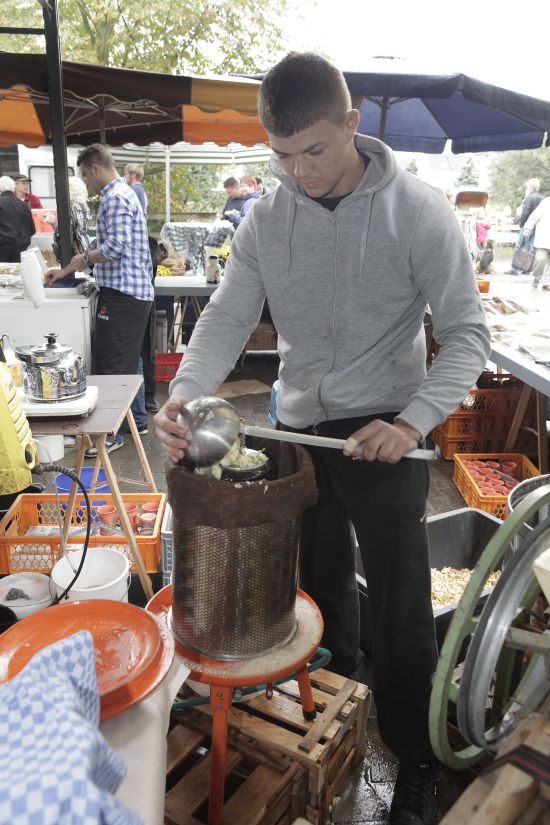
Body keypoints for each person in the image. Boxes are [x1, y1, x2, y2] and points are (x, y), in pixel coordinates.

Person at [154, 52, 491, 825]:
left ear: (352, 123)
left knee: (402, 602)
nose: (300, 172)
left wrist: (411, 422)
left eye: (315, 150)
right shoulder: (267, 220)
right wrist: (182, 393)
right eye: (282, 156)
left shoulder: (419, 212)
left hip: (387, 430)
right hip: (298, 430)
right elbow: (227, 315)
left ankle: (414, 753)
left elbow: (466, 334)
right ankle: (329, 723)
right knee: (318, 583)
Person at [45, 144, 154, 453]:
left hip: (122, 295)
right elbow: (110, 245)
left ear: (95, 168)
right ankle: (136, 421)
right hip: (131, 294)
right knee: (128, 361)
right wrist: (67, 269)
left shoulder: (115, 198)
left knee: (112, 367)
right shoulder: (123, 194)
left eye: (85, 174)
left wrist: (83, 259)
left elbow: (115, 248)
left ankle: (108, 435)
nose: (86, 181)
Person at [506, 178, 543, 274]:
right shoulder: (541, 198)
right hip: (537, 226)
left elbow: (525, 212)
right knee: (530, 248)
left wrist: (521, 224)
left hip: (526, 225)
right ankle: (527, 269)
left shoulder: (530, 197)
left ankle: (515, 269)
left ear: (530, 187)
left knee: (519, 246)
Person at [51, 176, 92, 261]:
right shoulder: (84, 206)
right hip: (85, 247)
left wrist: (54, 223)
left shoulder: (71, 207)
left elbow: (67, 232)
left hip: (75, 253)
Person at [0, 175, 36, 262]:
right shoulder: (24, 205)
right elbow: (32, 230)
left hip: (2, 249)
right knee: (20, 270)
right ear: (13, 188)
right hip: (21, 250)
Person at [523, 196, 550, 289]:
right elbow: (534, 216)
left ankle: (547, 283)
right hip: (544, 237)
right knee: (540, 259)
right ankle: (536, 278)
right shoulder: (546, 202)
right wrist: (528, 228)